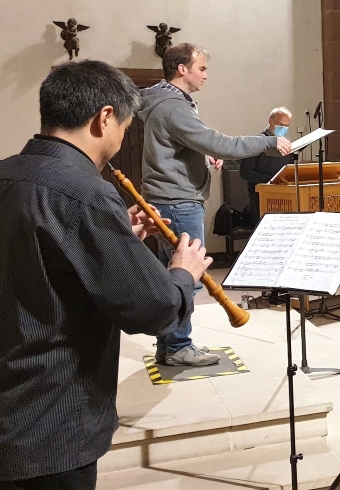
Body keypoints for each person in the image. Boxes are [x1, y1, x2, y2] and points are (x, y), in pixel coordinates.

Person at [0, 61, 212, 489]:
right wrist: (182, 273)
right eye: (126, 127)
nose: (121, 139)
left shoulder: (7, 173)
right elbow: (151, 309)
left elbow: (41, 258)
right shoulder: (87, 193)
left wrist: (116, 241)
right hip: (51, 420)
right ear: (105, 117)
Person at [139, 43, 292, 367]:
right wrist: (268, 141)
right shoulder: (173, 107)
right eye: (202, 68)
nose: (206, 75)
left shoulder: (165, 102)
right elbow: (220, 142)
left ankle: (168, 345)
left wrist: (204, 157)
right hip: (179, 202)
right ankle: (179, 346)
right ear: (182, 69)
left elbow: (179, 148)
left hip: (169, 199)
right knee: (188, 276)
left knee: (173, 276)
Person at [239, 107, 292, 225]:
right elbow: (245, 172)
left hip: (284, 197)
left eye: (286, 125)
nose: (283, 128)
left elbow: (290, 170)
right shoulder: (257, 142)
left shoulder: (287, 145)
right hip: (261, 197)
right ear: (270, 121)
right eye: (280, 124)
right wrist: (271, 180)